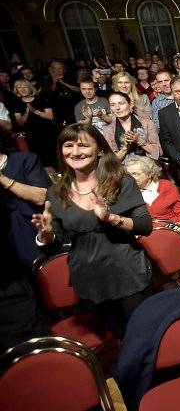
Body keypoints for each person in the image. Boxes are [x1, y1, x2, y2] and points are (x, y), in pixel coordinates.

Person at [32, 123, 153, 337]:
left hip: (127, 272)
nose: (75, 152)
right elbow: (57, 243)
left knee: (144, 335)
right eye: (68, 145)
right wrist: (46, 236)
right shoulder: (56, 192)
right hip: (89, 279)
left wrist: (110, 218)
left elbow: (145, 226)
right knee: (117, 337)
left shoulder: (121, 182)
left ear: (99, 149)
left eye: (83, 145)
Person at [0, 128, 50, 350]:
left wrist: (2, 179)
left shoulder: (24, 161)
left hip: (30, 230)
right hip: (4, 246)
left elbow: (41, 196)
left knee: (39, 292)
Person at [125, 155, 180, 227]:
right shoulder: (128, 192)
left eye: (135, 174)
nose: (131, 178)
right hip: (145, 234)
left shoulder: (166, 186)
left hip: (171, 229)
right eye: (129, 175)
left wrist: (178, 227)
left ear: (149, 174)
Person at [9, 79, 59, 167]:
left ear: (30, 88)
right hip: (32, 136)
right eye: (19, 87)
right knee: (39, 160)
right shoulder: (16, 103)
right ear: (16, 90)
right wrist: (27, 112)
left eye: (25, 87)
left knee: (53, 158)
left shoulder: (41, 98)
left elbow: (50, 116)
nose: (22, 89)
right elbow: (21, 123)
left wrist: (34, 111)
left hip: (48, 132)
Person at [102, 92, 161, 163]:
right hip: (124, 170)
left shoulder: (147, 123)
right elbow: (112, 161)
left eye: (121, 103)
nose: (117, 108)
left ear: (130, 105)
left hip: (147, 167)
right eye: (113, 105)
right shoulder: (108, 130)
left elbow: (158, 152)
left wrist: (139, 140)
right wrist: (125, 147)